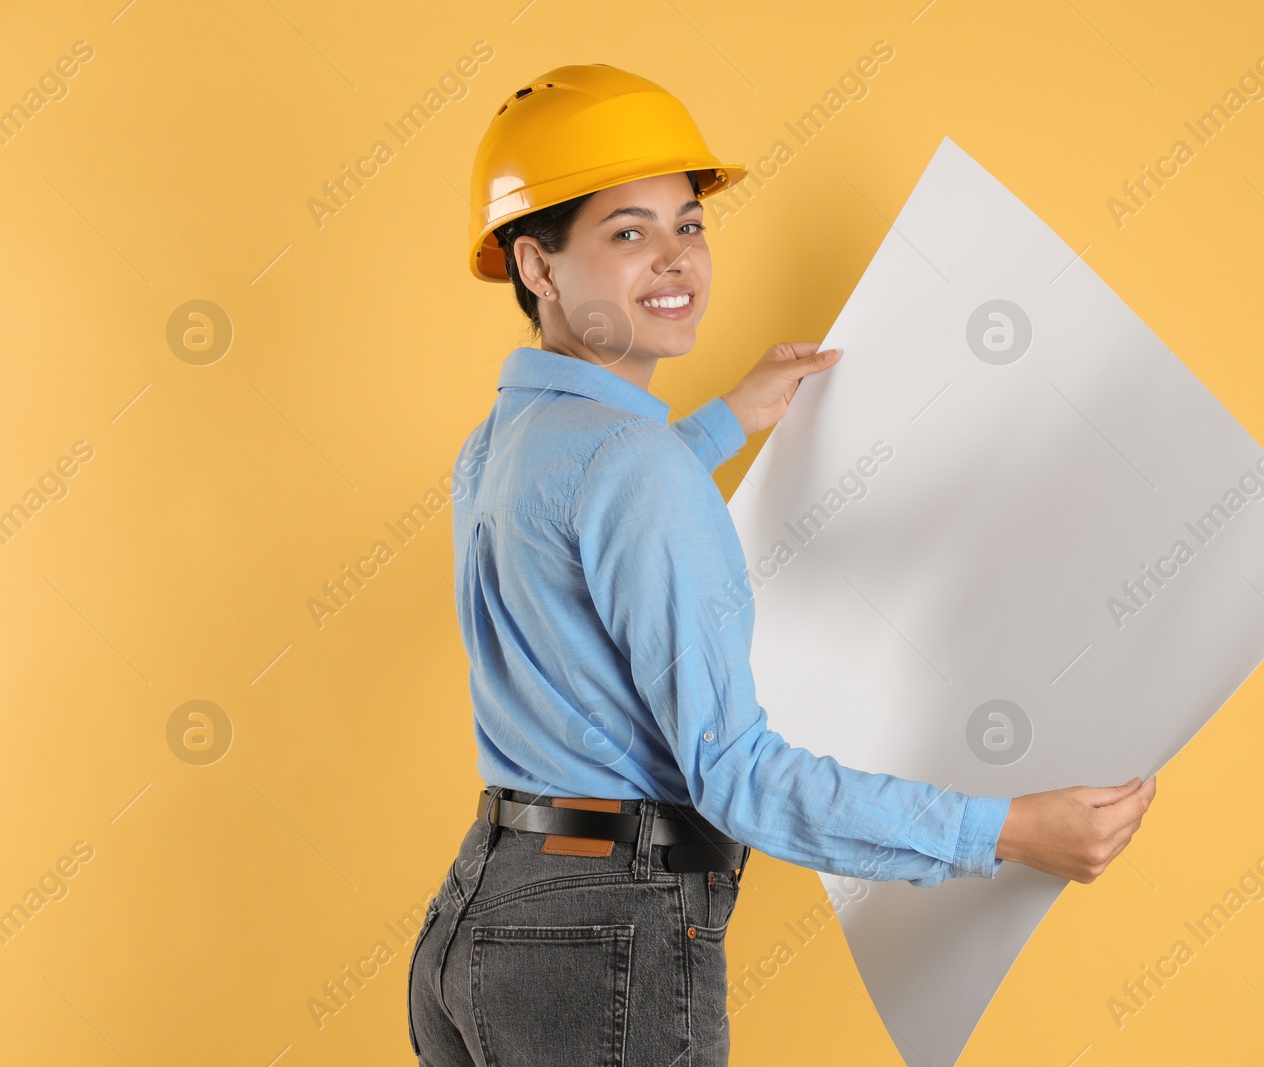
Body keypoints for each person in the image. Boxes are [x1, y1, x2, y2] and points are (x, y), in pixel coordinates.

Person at [407, 63, 1158, 1067]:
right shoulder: (635, 470)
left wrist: (725, 420)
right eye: (627, 233)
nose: (676, 260)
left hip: (479, 918)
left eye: (689, 223)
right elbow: (736, 777)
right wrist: (1005, 829)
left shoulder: (502, 442)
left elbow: (581, 519)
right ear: (537, 267)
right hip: (599, 940)